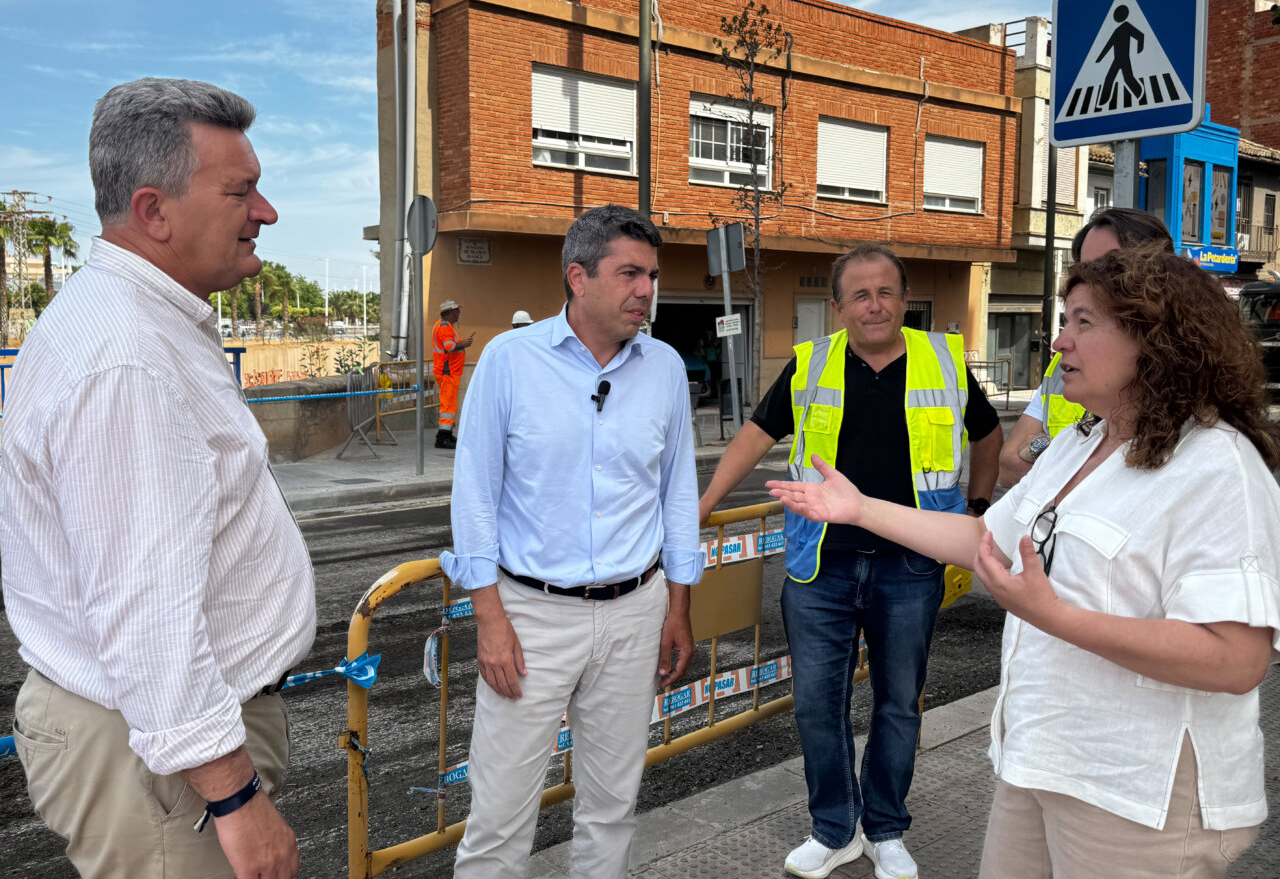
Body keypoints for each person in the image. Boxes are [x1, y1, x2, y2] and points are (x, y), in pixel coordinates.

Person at [769, 247, 1280, 879]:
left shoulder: (1216, 464)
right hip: (1038, 765)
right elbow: (983, 538)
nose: (1059, 341)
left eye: (1083, 322)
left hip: (1137, 797)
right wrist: (862, 509)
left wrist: (1053, 616)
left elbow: (1236, 659)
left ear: (1156, 339)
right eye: (1064, 319)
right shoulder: (1078, 444)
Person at [0, 78, 315, 879]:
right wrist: (237, 801)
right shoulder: (128, 359)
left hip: (163, 753)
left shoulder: (138, 323)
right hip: (164, 771)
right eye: (240, 191)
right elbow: (147, 615)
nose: (265, 212)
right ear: (153, 212)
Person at [697, 242, 1002, 879]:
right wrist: (701, 507)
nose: (875, 305)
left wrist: (976, 506)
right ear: (838, 308)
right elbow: (753, 437)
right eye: (859, 295)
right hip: (820, 567)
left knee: (898, 702)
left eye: (886, 291)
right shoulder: (810, 365)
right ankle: (835, 828)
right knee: (816, 703)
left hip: (912, 565)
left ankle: (886, 828)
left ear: (903, 299)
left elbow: (988, 431)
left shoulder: (941, 359)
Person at [442, 204, 702, 878]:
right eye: (629, 273)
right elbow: (473, 494)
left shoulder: (665, 367)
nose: (645, 290)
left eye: (650, 274)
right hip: (529, 617)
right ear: (577, 278)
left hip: (635, 611)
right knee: (500, 818)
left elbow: (676, 491)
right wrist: (490, 619)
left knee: (612, 807)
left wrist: (678, 607)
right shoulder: (509, 361)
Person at [999, 207, 1174, 488]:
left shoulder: (1196, 404)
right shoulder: (1061, 365)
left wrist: (1059, 458)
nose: (1089, 284)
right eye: (1084, 269)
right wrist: (1061, 449)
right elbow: (1008, 467)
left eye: (1109, 268)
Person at [433, 298, 474, 448]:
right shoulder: (444, 327)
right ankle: (443, 438)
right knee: (448, 407)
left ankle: (447, 435)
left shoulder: (445, 326)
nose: (459, 313)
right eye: (457, 311)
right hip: (447, 371)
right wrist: (464, 344)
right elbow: (449, 347)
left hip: (449, 371)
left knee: (449, 405)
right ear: (450, 313)